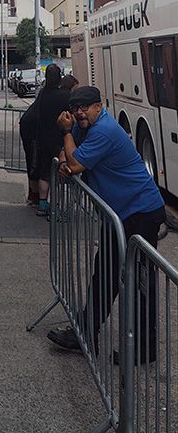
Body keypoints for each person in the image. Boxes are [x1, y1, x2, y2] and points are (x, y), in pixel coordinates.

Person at [47, 85, 166, 362]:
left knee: (140, 284)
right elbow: (68, 158)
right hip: (121, 214)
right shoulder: (85, 126)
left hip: (141, 213)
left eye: (85, 107)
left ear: (99, 107)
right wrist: (69, 154)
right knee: (105, 274)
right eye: (75, 108)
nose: (79, 113)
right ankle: (86, 333)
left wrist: (66, 135)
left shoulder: (104, 131)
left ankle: (144, 349)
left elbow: (73, 164)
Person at [35, 64, 70, 216]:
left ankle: (43, 205)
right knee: (62, 175)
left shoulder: (43, 93)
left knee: (44, 173)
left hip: (44, 139)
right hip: (61, 140)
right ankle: (59, 208)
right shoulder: (65, 95)